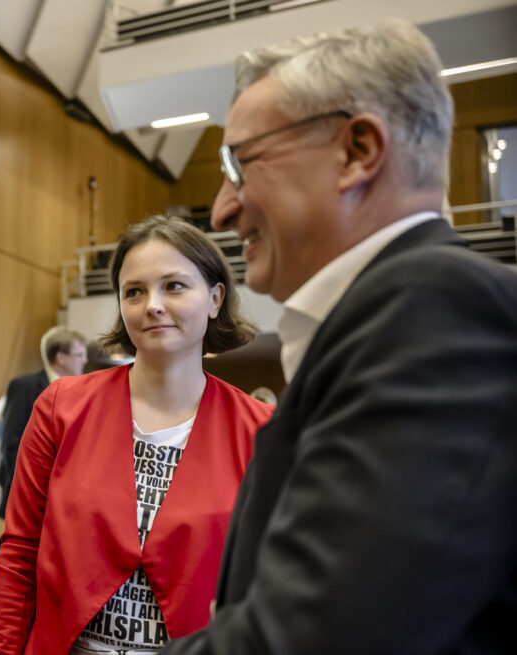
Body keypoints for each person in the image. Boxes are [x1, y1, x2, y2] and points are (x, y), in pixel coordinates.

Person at [162, 19, 517, 655]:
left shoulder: (436, 308)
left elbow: (315, 634)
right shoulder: (385, 318)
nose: (220, 209)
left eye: (239, 164)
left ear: (356, 151)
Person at [0, 215, 274, 654]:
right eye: (134, 291)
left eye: (174, 286)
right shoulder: (61, 407)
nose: (152, 304)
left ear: (215, 298)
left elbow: (267, 585)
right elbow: (20, 558)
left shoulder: (259, 430)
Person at [0, 327, 87, 516]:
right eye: (80, 355)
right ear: (61, 358)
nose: (85, 360)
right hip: (28, 496)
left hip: (67, 502)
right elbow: (10, 444)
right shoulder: (24, 387)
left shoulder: (84, 392)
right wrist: (39, 486)